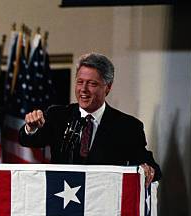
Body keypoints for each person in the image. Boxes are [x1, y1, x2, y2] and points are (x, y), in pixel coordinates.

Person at [19, 52, 161, 185]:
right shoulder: (58, 115)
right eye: (80, 82)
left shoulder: (127, 127)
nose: (83, 89)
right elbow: (27, 140)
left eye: (92, 84)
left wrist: (148, 169)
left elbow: (152, 167)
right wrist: (30, 128)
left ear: (108, 87)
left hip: (103, 204)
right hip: (62, 201)